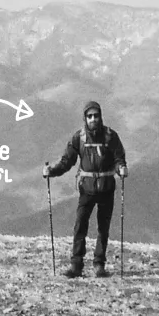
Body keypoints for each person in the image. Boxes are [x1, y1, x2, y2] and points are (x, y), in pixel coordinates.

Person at [44, 101, 128, 278]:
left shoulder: (111, 137)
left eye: (96, 116)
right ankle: (77, 265)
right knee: (80, 225)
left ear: (100, 116)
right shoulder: (79, 138)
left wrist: (121, 168)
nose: (93, 119)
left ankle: (99, 265)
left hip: (106, 188)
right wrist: (52, 171)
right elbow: (67, 161)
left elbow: (119, 157)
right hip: (87, 190)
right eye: (90, 116)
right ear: (85, 118)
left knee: (102, 228)